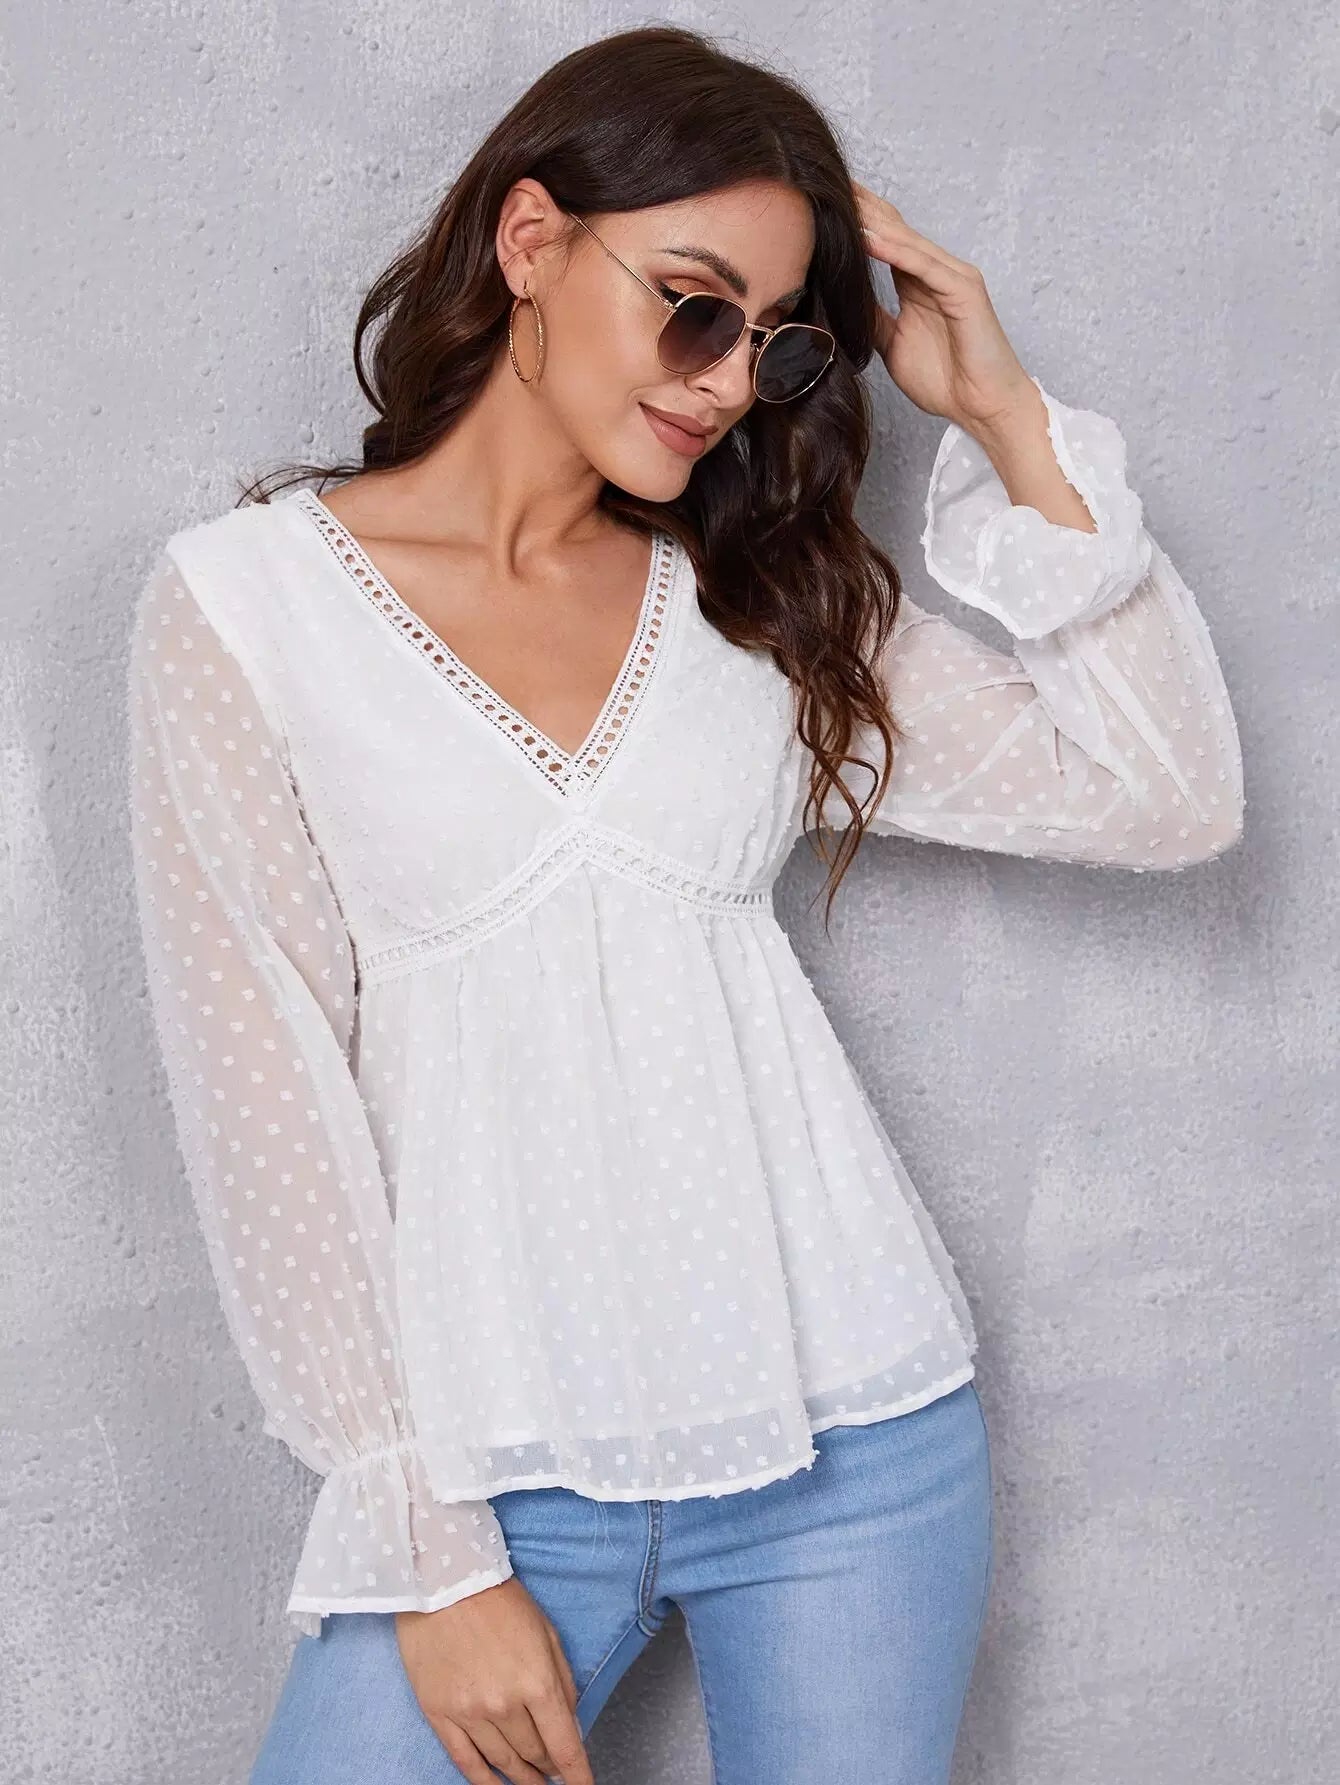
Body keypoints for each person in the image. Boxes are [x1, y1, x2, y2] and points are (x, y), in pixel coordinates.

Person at [126, 24, 1244, 1785]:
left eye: (774, 341)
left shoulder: (758, 600)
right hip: (490, 1478)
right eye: (693, 306)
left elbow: (1167, 795)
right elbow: (267, 1109)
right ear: (532, 240)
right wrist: (433, 1556)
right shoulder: (248, 607)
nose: (729, 384)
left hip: (856, 1442)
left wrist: (1009, 419)